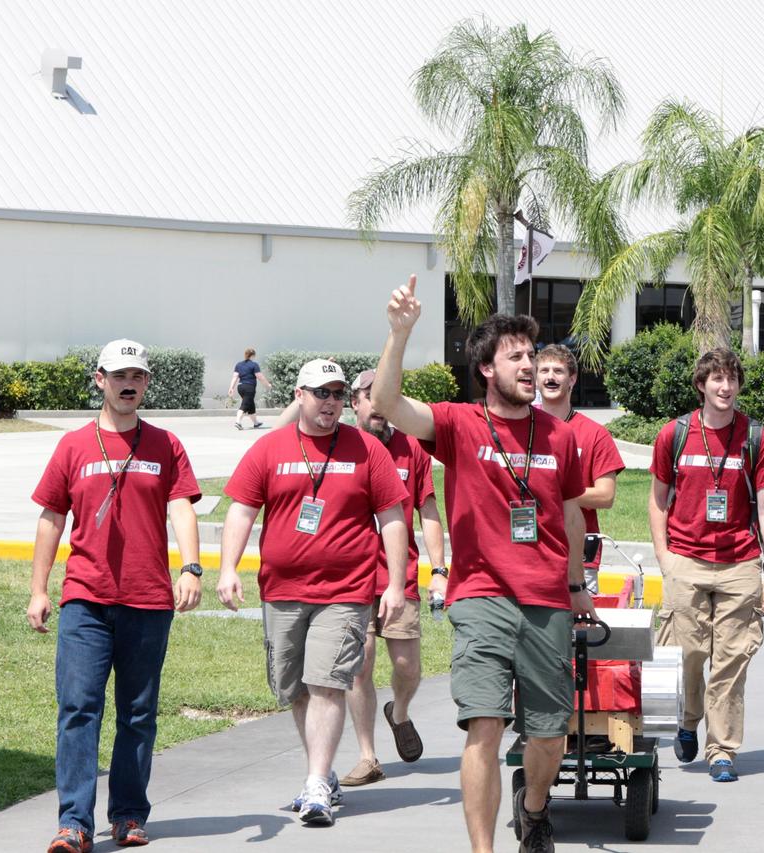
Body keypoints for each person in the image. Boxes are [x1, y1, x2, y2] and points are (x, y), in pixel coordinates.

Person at [371, 274, 593, 853]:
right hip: (481, 596)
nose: (528, 364)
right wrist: (399, 333)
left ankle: (535, 809)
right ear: (487, 370)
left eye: (531, 354)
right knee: (485, 727)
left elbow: (570, 514)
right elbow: (390, 404)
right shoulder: (458, 424)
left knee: (549, 736)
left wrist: (578, 585)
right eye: (514, 356)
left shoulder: (560, 436)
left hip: (546, 598)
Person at [216, 358, 409, 827]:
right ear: (299, 395)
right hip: (282, 589)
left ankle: (317, 783)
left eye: (339, 393)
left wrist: (398, 584)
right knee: (296, 688)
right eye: (322, 392)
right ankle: (318, 773)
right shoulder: (270, 448)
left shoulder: (366, 450)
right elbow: (241, 511)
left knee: (327, 683)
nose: (331, 402)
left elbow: (393, 517)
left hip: (346, 590)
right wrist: (227, 569)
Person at [28, 339, 204, 853]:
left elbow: (182, 508)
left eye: (139, 376)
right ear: (100, 379)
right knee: (79, 708)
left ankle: (128, 815)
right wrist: (39, 589)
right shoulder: (73, 446)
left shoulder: (166, 444)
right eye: (120, 374)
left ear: (146, 383)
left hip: (148, 600)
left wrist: (191, 567)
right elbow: (51, 518)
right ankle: (74, 824)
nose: (130, 383)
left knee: (138, 712)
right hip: (85, 598)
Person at [648, 347, 764, 783]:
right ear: (701, 385)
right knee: (688, 652)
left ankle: (722, 749)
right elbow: (656, 500)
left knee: (730, 661)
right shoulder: (675, 434)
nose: (725, 387)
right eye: (717, 379)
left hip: (739, 562)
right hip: (685, 559)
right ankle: (689, 720)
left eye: (732, 379)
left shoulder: (755, 438)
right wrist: (665, 558)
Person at [339, 368, 447, 786]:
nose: (379, 405)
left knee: (407, 666)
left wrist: (439, 570)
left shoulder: (411, 450)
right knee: (358, 666)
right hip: (350, 579)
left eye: (386, 397)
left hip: (397, 578)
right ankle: (368, 756)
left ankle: (398, 712)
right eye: (370, 397)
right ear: (355, 403)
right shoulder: (340, 447)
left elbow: (429, 512)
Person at [535, 344, 625, 594]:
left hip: (580, 557)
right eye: (543, 371)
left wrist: (552, 492)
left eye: (558, 371)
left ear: (572, 379)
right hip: (530, 551)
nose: (550, 377)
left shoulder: (595, 434)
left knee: (579, 632)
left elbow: (605, 496)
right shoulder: (522, 428)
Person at [228, 347, 272, 430]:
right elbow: (260, 376)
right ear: (253, 356)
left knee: (250, 405)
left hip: (240, 387)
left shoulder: (239, 364)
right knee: (245, 405)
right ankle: (238, 422)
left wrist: (231, 388)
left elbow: (235, 376)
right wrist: (267, 385)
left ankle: (256, 423)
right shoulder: (254, 365)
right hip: (249, 387)